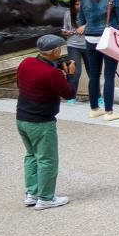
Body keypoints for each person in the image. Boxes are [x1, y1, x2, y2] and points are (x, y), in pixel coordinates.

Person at [17, 34, 78, 208]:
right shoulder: (52, 74)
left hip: (21, 118)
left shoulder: (26, 62)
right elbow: (69, 94)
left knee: (31, 155)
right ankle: (45, 198)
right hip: (41, 122)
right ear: (56, 50)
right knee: (47, 159)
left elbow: (20, 83)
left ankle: (32, 193)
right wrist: (70, 75)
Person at [76, 0, 119, 118]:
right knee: (109, 75)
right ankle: (109, 111)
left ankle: (94, 108)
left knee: (94, 75)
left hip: (90, 38)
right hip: (107, 39)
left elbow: (80, 20)